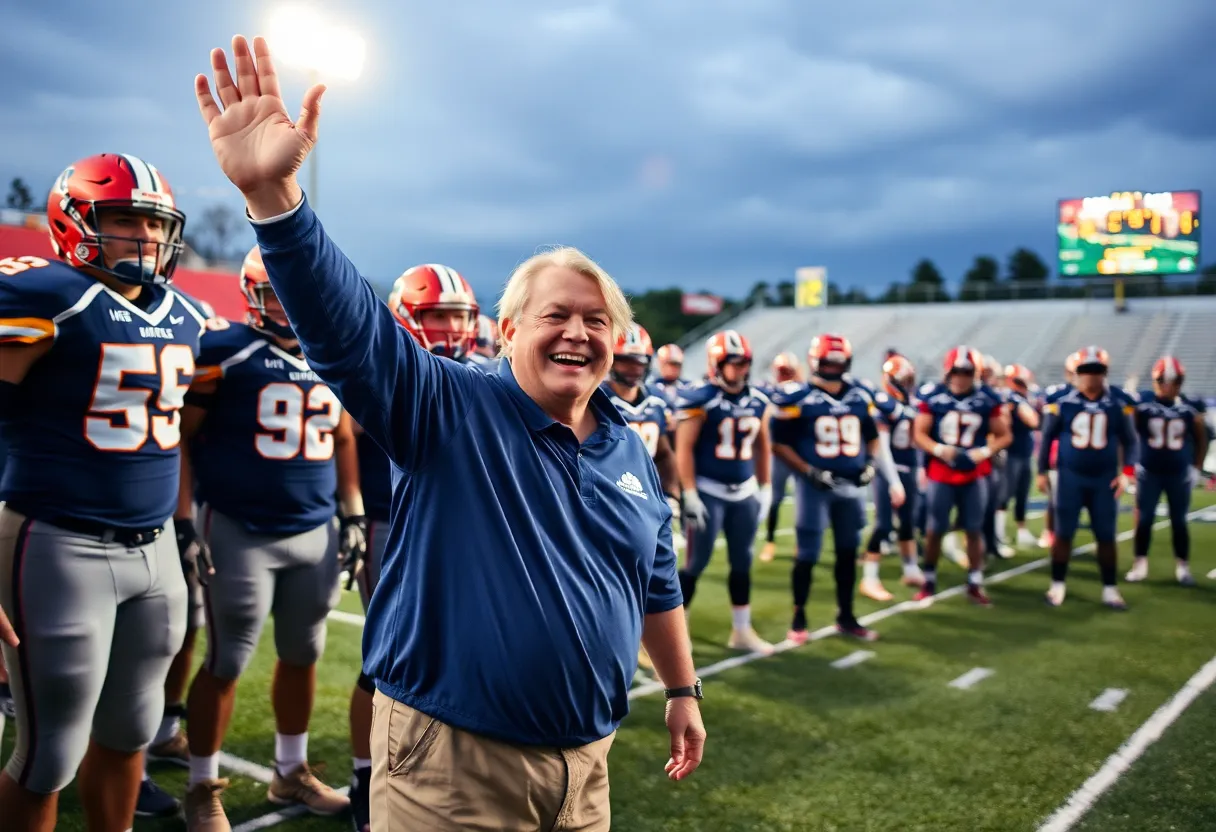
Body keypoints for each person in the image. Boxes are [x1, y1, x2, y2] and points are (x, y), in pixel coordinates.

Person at [194, 35, 703, 831]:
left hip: (587, 766)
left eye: (597, 320)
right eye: (556, 315)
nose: (578, 333)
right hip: (452, 763)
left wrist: (681, 688)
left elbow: (656, 581)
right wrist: (277, 202)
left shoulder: (626, 443)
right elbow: (351, 334)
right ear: (508, 330)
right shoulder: (450, 405)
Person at [0, 152, 205, 832]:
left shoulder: (187, 314)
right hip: (58, 544)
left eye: (155, 223)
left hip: (156, 550)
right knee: (48, 755)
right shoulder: (45, 295)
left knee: (130, 734)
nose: (144, 236)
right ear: (73, 221)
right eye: (122, 219)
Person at [177, 245, 358, 830]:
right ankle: (201, 784)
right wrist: (185, 516)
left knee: (304, 652)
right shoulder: (224, 349)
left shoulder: (330, 349)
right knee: (226, 659)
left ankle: (290, 771)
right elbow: (181, 436)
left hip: (314, 528)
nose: (284, 304)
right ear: (250, 293)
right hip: (239, 528)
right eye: (272, 292)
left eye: (292, 292)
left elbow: (344, 437)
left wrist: (353, 513)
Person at [347, 261, 483, 832]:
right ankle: (364, 774)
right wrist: (351, 510)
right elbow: (345, 435)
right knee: (387, 659)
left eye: (458, 316)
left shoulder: (479, 373)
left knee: (459, 650)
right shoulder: (381, 371)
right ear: (404, 317)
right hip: (390, 524)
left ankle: (445, 763)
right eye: (437, 316)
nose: (452, 329)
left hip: (457, 527)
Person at [770, 335, 898, 642]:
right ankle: (798, 618)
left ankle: (847, 615)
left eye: (838, 362)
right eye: (828, 362)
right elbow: (779, 443)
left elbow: (872, 436)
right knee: (807, 554)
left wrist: (870, 464)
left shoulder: (859, 395)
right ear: (815, 362)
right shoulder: (798, 397)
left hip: (851, 485)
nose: (833, 368)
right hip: (814, 487)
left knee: (848, 552)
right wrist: (808, 471)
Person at [675, 330, 775, 655]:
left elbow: (762, 446)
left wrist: (766, 486)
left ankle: (742, 630)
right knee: (696, 563)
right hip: (709, 491)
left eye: (743, 362)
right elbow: (684, 448)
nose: (738, 369)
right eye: (732, 362)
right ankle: (675, 634)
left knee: (742, 561)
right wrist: (690, 492)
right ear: (715, 364)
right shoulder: (700, 397)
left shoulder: (758, 399)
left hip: (744, 492)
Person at [1037, 347, 1136, 609]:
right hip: (1070, 478)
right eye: (1085, 370)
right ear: (1076, 373)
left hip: (1104, 480)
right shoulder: (1063, 402)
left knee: (1106, 536)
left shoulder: (1118, 403)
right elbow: (1047, 437)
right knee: (1063, 534)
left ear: (1105, 373)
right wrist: (1041, 471)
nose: (1091, 376)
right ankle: (1057, 585)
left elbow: (1130, 441)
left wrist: (1127, 473)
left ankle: (1110, 589)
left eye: (1096, 370)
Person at [912, 346, 1011, 606]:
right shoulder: (933, 396)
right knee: (935, 529)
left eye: (967, 372)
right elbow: (919, 433)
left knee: (974, 529)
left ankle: (975, 582)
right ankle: (929, 579)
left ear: (975, 374)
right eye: (957, 371)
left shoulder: (987, 398)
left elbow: (1004, 435)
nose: (961, 377)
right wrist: (939, 449)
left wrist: (983, 452)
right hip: (941, 472)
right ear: (948, 371)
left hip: (974, 473)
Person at [1125, 356, 1207, 586]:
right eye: (1163, 380)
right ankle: (1140, 564)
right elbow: (1128, 433)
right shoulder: (1143, 406)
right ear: (1155, 381)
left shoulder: (1189, 408)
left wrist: (1196, 468)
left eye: (1175, 381)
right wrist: (1130, 466)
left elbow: (1201, 440)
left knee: (1179, 521)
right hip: (1148, 472)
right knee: (1144, 520)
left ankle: (1183, 566)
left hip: (1178, 474)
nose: (1168, 386)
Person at [861, 354, 924, 600]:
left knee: (907, 522)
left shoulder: (910, 404)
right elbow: (882, 447)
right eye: (904, 380)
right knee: (884, 524)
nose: (908, 385)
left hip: (908, 467)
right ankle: (869, 578)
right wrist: (894, 481)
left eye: (909, 380)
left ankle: (911, 569)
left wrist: (920, 468)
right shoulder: (884, 404)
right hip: (888, 471)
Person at [759, 352, 801, 563]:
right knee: (775, 500)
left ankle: (800, 544)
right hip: (779, 454)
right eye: (782, 372)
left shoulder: (804, 393)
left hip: (799, 455)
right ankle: (770, 541)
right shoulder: (771, 393)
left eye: (787, 371)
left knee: (803, 502)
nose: (784, 376)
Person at [1001, 364, 1041, 547]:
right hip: (1011, 453)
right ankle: (998, 532)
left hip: (1024, 452)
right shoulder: (1012, 398)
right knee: (1005, 494)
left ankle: (1021, 530)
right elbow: (1033, 421)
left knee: (1022, 494)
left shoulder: (1024, 398)